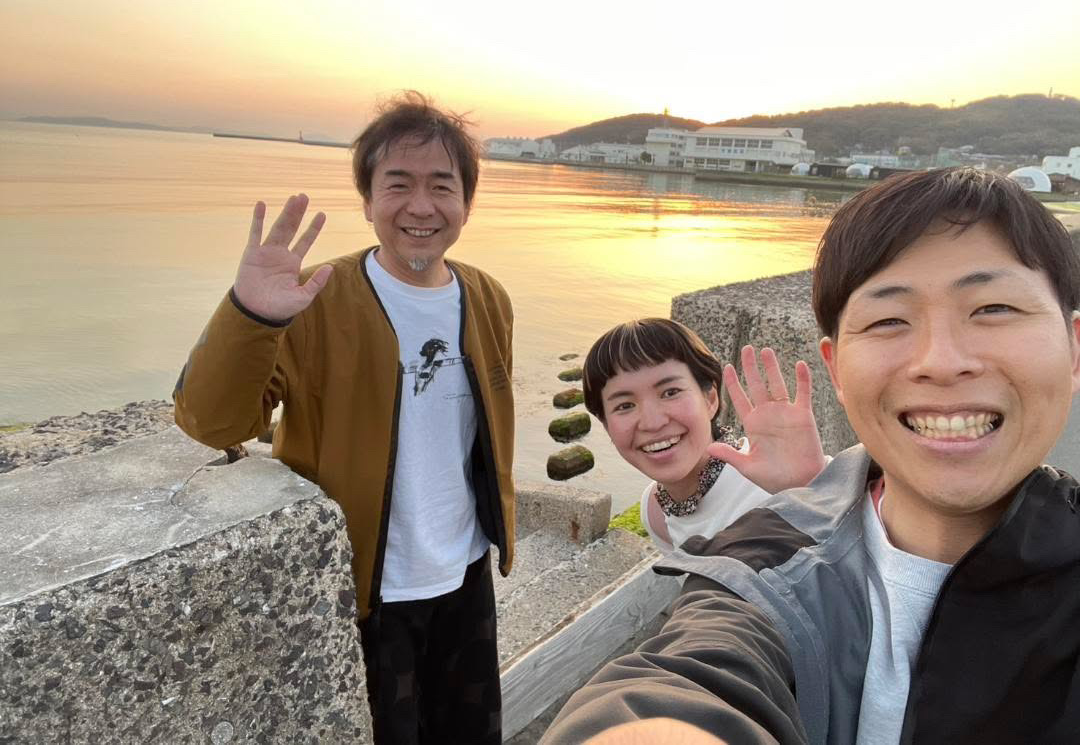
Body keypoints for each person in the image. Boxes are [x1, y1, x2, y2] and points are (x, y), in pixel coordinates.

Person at [542, 167, 1080, 745]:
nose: (941, 361)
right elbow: (702, 659)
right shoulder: (745, 557)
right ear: (835, 368)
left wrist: (805, 488)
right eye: (889, 320)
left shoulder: (776, 510)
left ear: (1073, 348)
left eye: (994, 308)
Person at [173, 92, 514, 744]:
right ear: (368, 200)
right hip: (362, 589)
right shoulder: (313, 298)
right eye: (398, 184)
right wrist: (251, 313)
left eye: (442, 186)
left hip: (466, 574)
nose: (421, 206)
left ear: (466, 203)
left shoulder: (488, 297)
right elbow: (213, 423)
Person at [580, 319, 826, 552]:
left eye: (670, 392)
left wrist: (810, 490)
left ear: (710, 399)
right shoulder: (655, 512)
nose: (653, 423)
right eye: (624, 406)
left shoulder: (774, 485)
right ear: (606, 425)